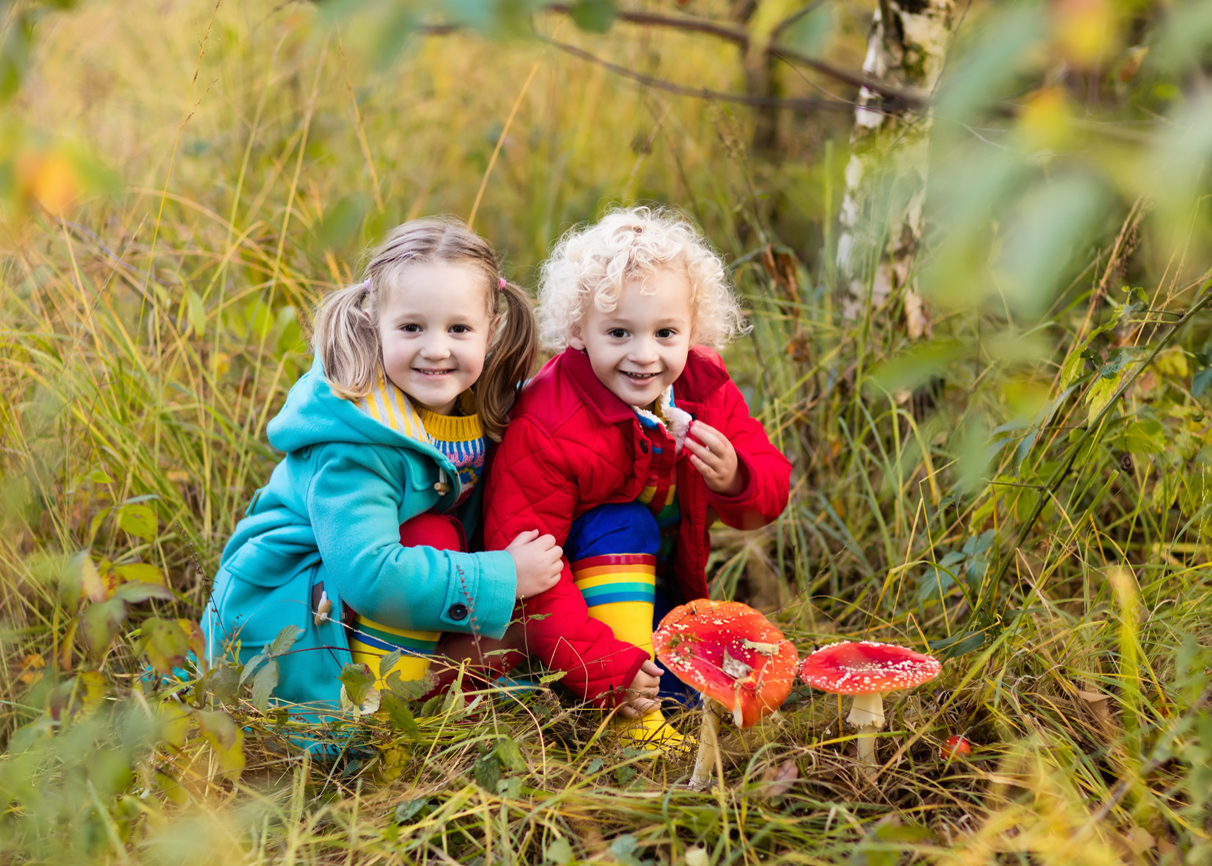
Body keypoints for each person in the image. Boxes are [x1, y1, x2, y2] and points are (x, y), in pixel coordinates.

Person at [203, 218, 563, 716]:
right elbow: (370, 574)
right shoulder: (356, 437)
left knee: (520, 630)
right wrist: (501, 576)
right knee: (432, 532)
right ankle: (384, 714)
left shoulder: (481, 404)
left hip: (369, 607)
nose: (436, 349)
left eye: (459, 328)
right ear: (374, 324)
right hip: (289, 621)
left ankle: (433, 686)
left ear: (492, 329)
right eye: (412, 327)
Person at [485, 206, 792, 748]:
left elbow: (768, 493)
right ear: (579, 329)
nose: (645, 355)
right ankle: (632, 723)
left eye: (666, 332)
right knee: (622, 519)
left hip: (664, 600)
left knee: (721, 704)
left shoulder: (704, 389)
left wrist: (734, 478)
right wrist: (608, 670)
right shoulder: (547, 420)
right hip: (576, 624)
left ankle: (660, 691)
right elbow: (528, 576)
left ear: (693, 329)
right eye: (620, 332)